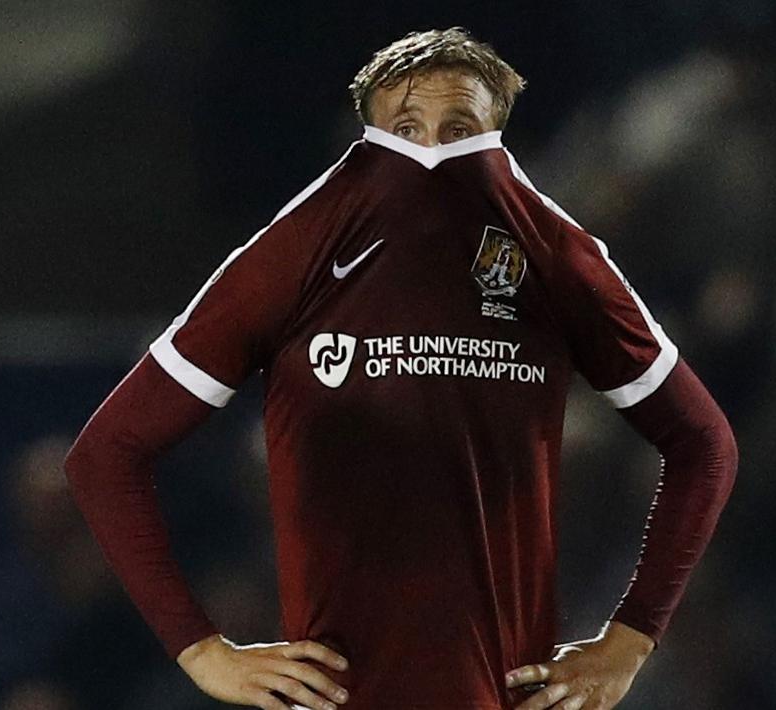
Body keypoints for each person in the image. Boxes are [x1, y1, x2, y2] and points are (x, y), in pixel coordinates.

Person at [65, 27, 737, 710]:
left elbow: (703, 443)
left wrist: (629, 639)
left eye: (457, 127)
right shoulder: (293, 253)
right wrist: (201, 650)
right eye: (405, 127)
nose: (430, 152)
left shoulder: (553, 255)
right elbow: (106, 454)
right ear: (365, 138)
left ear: (497, 133)